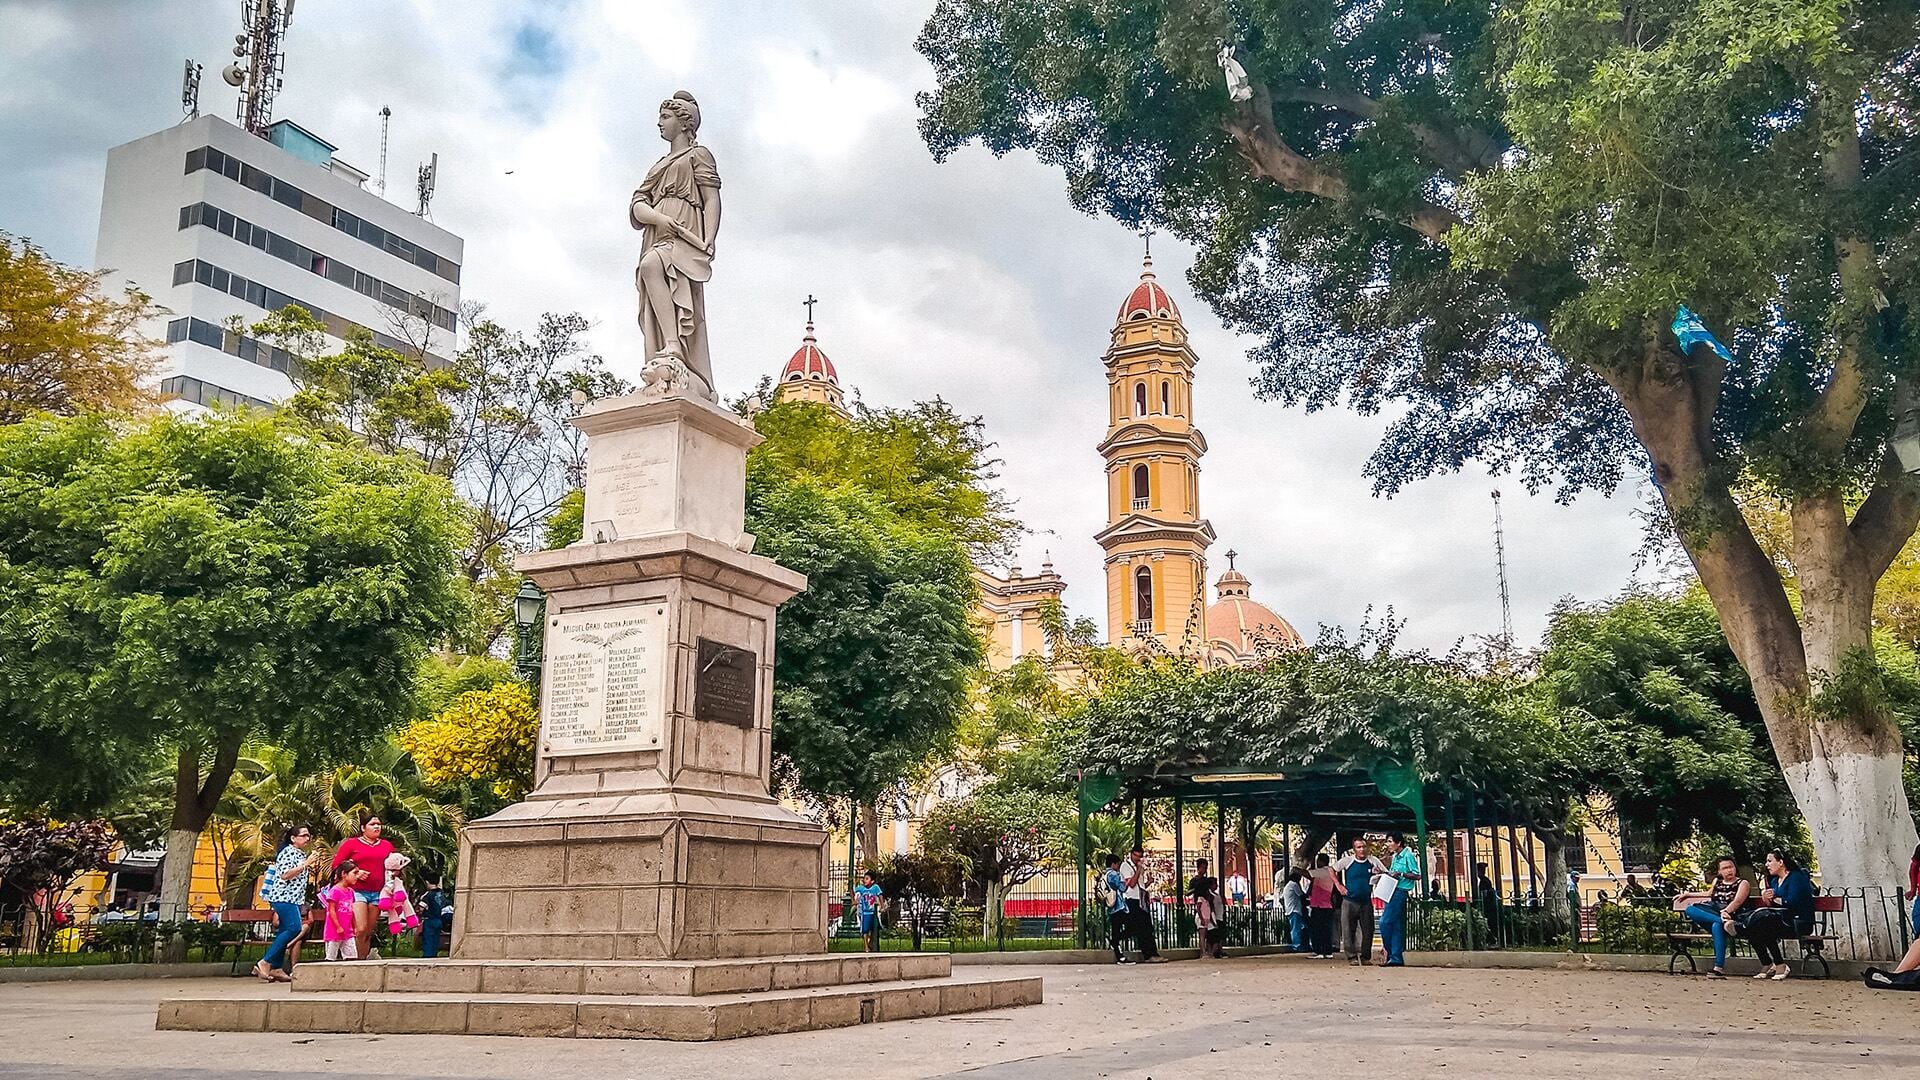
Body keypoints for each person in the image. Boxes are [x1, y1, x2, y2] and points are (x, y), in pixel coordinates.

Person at [630, 90, 723, 398]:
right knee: (651, 270)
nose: (659, 123)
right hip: (660, 232)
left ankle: (675, 345)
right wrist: (657, 218)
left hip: (686, 234)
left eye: (665, 117)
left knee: (654, 268)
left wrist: (709, 239)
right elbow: (638, 203)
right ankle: (667, 346)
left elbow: (711, 198)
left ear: (684, 123)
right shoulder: (658, 165)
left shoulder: (699, 155)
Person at [254, 824, 320, 983]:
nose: (307, 838)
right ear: (293, 838)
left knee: (285, 929)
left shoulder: (299, 853)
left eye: (308, 835)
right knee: (294, 928)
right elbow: (285, 875)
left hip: (293, 898)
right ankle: (266, 961)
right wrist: (306, 864)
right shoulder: (288, 852)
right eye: (303, 835)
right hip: (283, 897)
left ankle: (276, 967)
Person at [1741, 850, 1814, 980]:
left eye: (1770, 861)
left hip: (1798, 922)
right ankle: (1766, 963)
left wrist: (1775, 898)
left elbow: (1794, 902)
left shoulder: (1797, 877)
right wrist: (1767, 898)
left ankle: (1780, 964)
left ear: (1781, 862)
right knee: (1752, 926)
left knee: (1764, 924)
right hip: (1780, 920)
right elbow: (1774, 906)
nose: (1767, 865)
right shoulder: (1775, 881)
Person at [331, 816, 396, 962]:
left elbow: (394, 864)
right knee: (360, 928)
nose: (377, 827)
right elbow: (336, 865)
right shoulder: (351, 844)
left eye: (379, 824)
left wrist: (396, 870)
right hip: (356, 891)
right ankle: (356, 961)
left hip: (378, 892)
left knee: (368, 931)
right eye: (372, 824)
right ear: (362, 828)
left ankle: (363, 960)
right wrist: (356, 872)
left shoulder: (386, 845)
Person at [1676, 856, 1751, 978]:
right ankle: (1723, 922)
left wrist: (1725, 912)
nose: (1729, 870)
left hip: (1733, 916)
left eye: (1731, 867)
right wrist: (1688, 894)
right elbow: (1708, 894)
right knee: (1690, 909)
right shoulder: (1717, 881)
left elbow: (1737, 902)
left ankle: (1718, 968)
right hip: (1718, 915)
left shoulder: (1743, 883)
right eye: (1725, 868)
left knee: (1717, 926)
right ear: (1719, 871)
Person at [1332, 837, 1387, 965]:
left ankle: (1365, 956)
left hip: (1366, 900)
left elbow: (1386, 873)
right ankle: (1351, 956)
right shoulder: (1348, 861)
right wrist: (1338, 885)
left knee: (1368, 929)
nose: (1362, 850)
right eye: (1358, 847)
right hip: (1349, 900)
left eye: (1363, 846)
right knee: (1347, 929)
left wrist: (1378, 874)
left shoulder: (1373, 861)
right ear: (1354, 849)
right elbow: (1332, 869)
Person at [1378, 833, 1421, 967]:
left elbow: (1417, 875)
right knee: (1396, 926)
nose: (1388, 844)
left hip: (1400, 891)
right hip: (1391, 889)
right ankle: (1396, 957)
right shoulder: (1395, 856)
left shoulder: (1408, 855)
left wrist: (1401, 874)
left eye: (1390, 841)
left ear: (1399, 843)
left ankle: (1389, 951)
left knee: (1384, 923)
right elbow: (1393, 872)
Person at [1120, 847, 1162, 962]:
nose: (1137, 858)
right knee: (1140, 928)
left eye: (1139, 856)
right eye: (1135, 855)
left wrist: (1148, 882)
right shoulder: (1126, 866)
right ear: (1131, 854)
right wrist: (1138, 869)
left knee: (1148, 927)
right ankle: (1148, 954)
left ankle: (1153, 953)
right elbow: (1132, 884)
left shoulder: (1140, 868)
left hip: (1141, 900)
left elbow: (1140, 885)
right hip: (1132, 900)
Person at [318, 861, 364, 962]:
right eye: (354, 873)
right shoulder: (335, 891)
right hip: (334, 931)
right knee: (331, 957)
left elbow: (351, 910)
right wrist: (338, 927)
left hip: (348, 931)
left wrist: (355, 926)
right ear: (344, 874)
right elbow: (331, 910)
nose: (357, 876)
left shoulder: (351, 892)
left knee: (351, 956)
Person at [1099, 854, 1134, 964]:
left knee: (1116, 929)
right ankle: (1115, 942)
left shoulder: (1106, 874)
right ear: (1113, 864)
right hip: (1118, 906)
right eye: (1118, 864)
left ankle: (1119, 954)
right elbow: (1122, 888)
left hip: (1112, 907)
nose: (1118, 866)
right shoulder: (1114, 874)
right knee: (1131, 926)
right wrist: (1128, 881)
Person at [1189, 858, 1225, 959]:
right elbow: (1189, 892)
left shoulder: (1206, 881)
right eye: (1202, 868)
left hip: (1207, 908)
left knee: (1209, 932)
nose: (1204, 870)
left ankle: (1209, 951)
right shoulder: (1195, 881)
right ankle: (1203, 951)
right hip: (1202, 907)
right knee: (1202, 933)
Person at [1306, 854, 1338, 958]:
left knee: (1317, 928)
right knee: (1326, 929)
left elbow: (1307, 873)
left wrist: (1296, 868)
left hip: (1319, 905)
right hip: (1326, 905)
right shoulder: (1330, 872)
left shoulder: (1323, 871)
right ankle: (1327, 951)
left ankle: (1319, 950)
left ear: (1321, 861)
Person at [417, 881, 451, 959]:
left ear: (427, 882)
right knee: (435, 940)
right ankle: (434, 956)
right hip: (439, 920)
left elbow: (421, 908)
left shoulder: (428, 895)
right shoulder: (441, 894)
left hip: (430, 920)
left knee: (428, 940)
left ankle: (428, 957)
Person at [853, 869, 885, 952]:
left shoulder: (875, 888)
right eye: (864, 878)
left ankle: (871, 943)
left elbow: (880, 896)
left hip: (873, 912)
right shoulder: (861, 889)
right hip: (865, 912)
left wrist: (882, 906)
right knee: (865, 930)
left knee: (874, 928)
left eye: (867, 878)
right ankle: (866, 946)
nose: (865, 880)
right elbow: (853, 891)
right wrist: (855, 901)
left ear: (872, 881)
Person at [1280, 867, 1307, 952]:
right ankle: (1297, 945)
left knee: (1296, 927)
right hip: (1295, 910)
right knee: (1296, 928)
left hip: (1290, 909)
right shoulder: (1294, 885)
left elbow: (1281, 899)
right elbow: (1302, 896)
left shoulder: (1288, 886)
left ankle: (1299, 944)